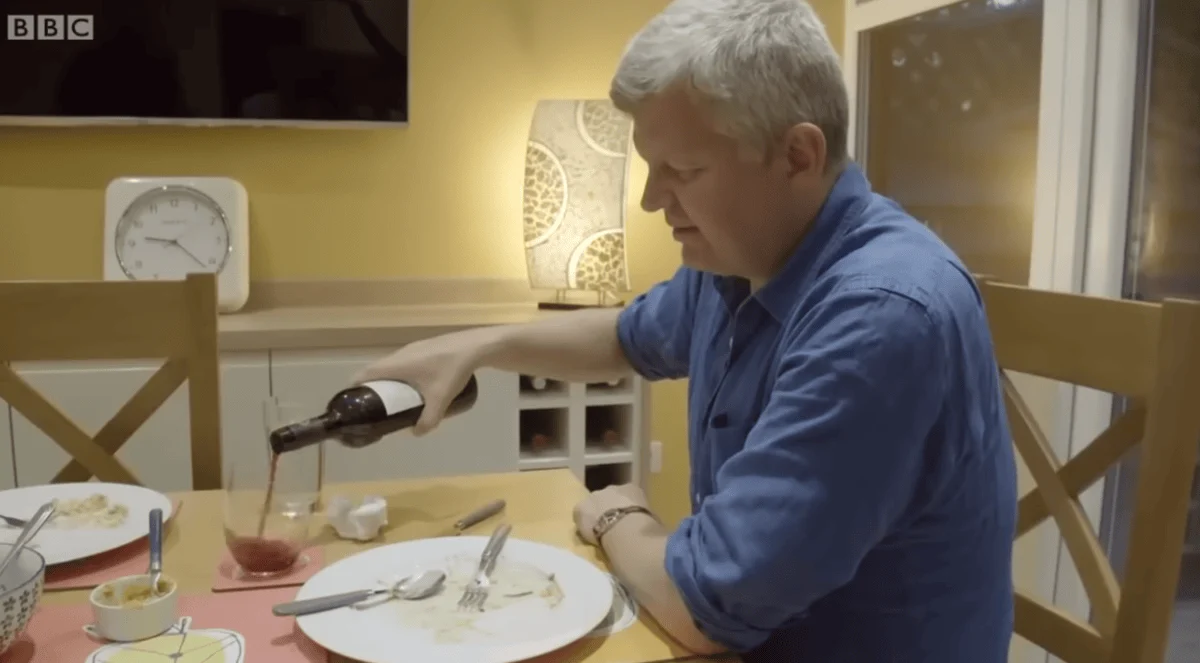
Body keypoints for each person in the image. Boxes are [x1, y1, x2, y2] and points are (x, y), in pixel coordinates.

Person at [355, 0, 1017, 660]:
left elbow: (706, 610)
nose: (650, 198)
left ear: (797, 154)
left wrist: (618, 515)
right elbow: (625, 336)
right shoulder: (745, 255)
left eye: (684, 170)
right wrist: (479, 345)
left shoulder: (882, 315)